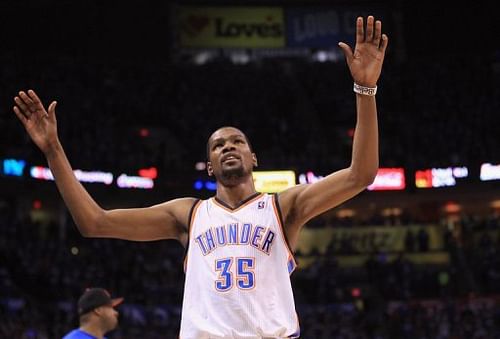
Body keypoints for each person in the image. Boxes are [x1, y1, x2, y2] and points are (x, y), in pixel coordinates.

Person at [14, 15, 388, 339]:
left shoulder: (283, 205)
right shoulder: (187, 215)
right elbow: (94, 222)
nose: (227, 147)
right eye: (217, 145)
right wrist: (53, 151)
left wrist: (365, 90)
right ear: (209, 165)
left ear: (252, 157)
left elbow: (361, 174)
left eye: (237, 141)